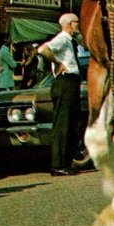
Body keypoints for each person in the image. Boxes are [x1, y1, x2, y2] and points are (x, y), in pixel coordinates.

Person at [38, 13, 82, 176]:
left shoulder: (71, 42)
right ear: (70, 24)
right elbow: (43, 49)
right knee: (63, 124)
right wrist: (58, 63)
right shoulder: (62, 39)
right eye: (77, 22)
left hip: (72, 82)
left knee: (72, 123)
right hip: (65, 82)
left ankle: (66, 162)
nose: (78, 25)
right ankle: (58, 164)